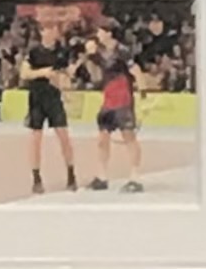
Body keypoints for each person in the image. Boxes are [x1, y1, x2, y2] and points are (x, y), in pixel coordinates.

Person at [21, 18, 77, 195]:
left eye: (54, 29)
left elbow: (67, 74)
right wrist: (44, 73)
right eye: (47, 29)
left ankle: (71, 174)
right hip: (37, 99)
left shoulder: (62, 52)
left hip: (54, 99)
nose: (51, 32)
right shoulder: (34, 52)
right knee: (35, 139)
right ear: (42, 32)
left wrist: (66, 79)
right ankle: (36, 178)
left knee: (64, 136)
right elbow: (24, 73)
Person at [88, 23, 143, 194]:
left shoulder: (122, 51)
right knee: (102, 139)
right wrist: (90, 54)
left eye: (100, 32)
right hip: (108, 99)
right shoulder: (100, 52)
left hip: (123, 99)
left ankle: (135, 178)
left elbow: (136, 70)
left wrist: (142, 91)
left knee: (129, 137)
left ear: (109, 33)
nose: (97, 35)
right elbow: (94, 71)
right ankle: (102, 177)